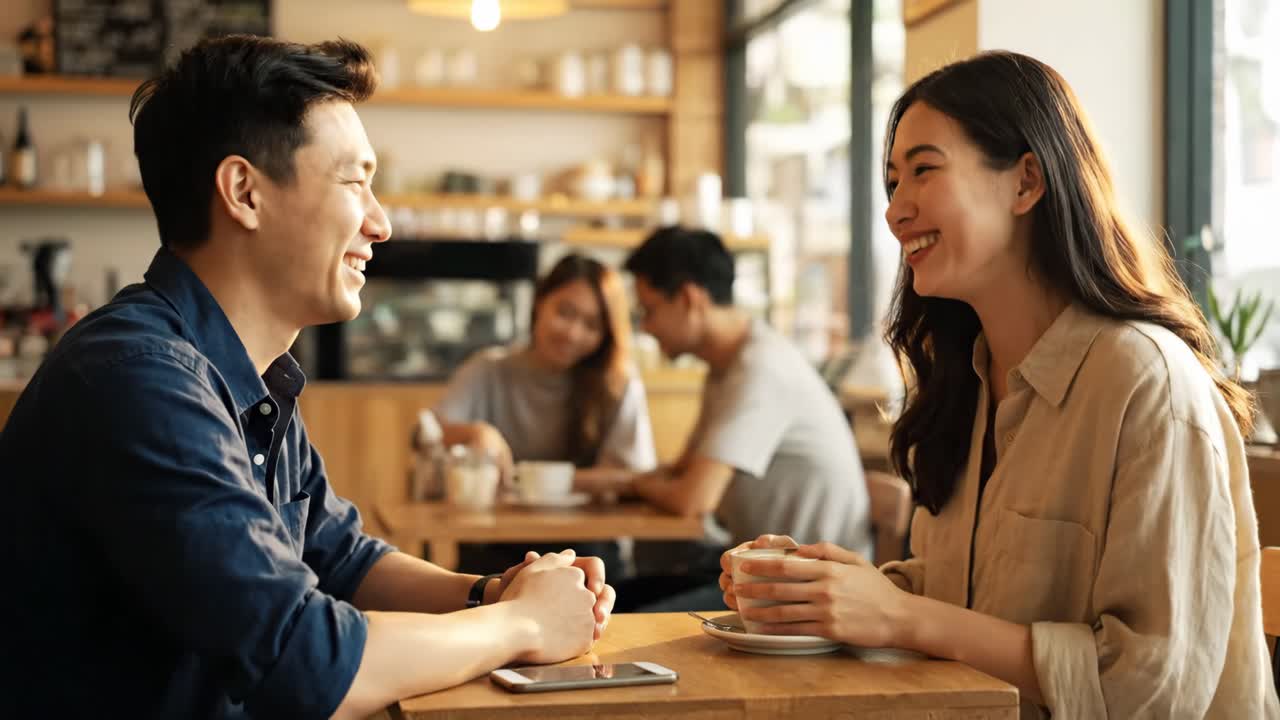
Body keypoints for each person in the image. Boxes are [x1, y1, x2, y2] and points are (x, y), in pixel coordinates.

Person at [0, 36, 614, 720]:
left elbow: (339, 558)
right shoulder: (138, 378)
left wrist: (493, 592)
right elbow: (306, 665)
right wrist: (523, 625)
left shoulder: (247, 372)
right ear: (244, 193)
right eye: (356, 182)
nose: (380, 224)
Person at [718, 51, 1280, 719]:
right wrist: (824, 589)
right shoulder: (970, 378)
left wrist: (899, 617)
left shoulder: (1145, 381)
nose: (895, 211)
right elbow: (960, 601)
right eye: (892, 181)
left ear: (1026, 182)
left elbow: (1153, 687)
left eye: (923, 170)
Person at [613, 226, 873, 611]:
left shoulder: (759, 370)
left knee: (621, 620)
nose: (646, 327)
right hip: (758, 572)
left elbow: (692, 499)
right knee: (614, 600)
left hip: (809, 588)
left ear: (688, 298)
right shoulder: (725, 366)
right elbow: (683, 471)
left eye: (648, 311)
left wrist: (637, 482)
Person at [429, 252, 658, 575]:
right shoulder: (487, 369)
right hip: (494, 547)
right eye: (565, 312)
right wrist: (476, 433)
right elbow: (426, 433)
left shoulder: (619, 384)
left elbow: (633, 477)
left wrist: (541, 482)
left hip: (588, 555)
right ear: (539, 303)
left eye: (591, 324)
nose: (573, 333)